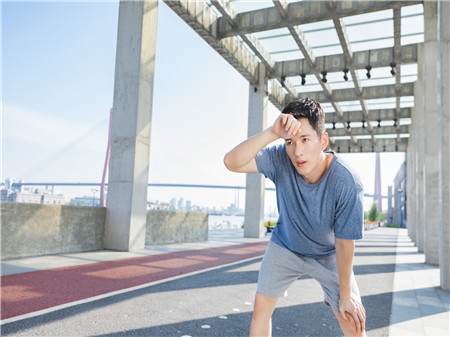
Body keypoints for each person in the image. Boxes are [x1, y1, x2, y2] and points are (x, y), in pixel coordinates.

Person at [223, 98, 366, 337]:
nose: (297, 152)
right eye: (290, 142)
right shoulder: (281, 158)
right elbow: (231, 162)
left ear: (323, 141)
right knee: (261, 309)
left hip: (328, 254)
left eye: (305, 140)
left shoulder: (347, 181)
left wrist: (345, 295)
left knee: (352, 317)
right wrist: (272, 132)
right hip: (286, 246)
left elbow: (344, 242)